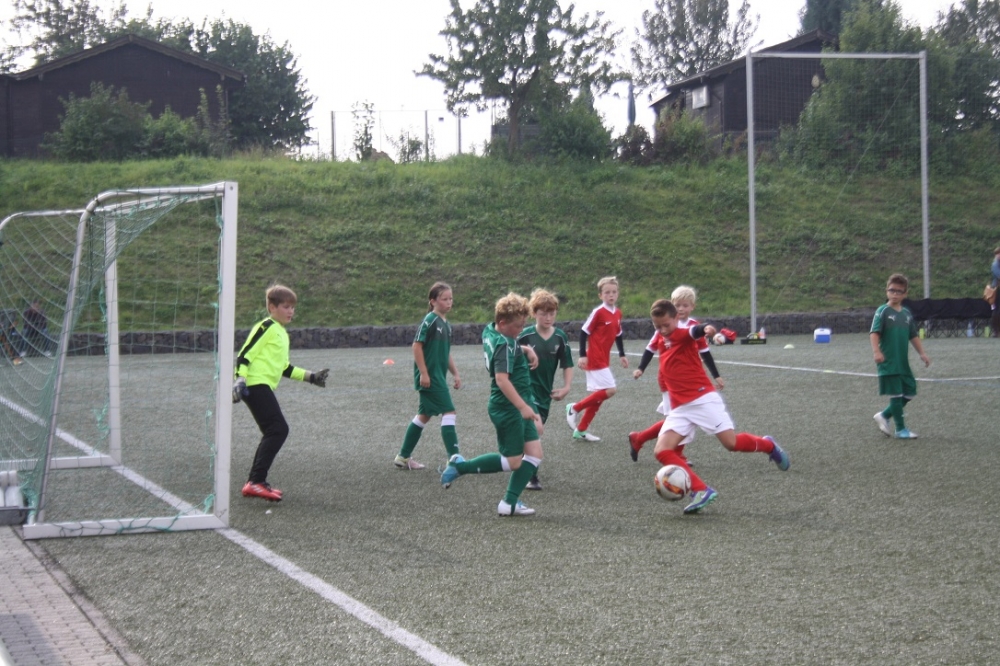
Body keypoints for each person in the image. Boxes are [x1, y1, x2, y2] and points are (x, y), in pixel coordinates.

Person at [646, 299, 789, 514]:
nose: (663, 330)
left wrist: (706, 329)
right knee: (662, 450)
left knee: (731, 443)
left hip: (703, 400)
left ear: (676, 318)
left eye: (666, 325)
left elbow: (695, 331)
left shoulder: (683, 334)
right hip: (680, 408)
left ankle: (768, 445)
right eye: (658, 326)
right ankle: (700, 490)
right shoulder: (661, 338)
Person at [441, 292, 543, 517]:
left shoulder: (490, 330)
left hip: (517, 401)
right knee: (513, 462)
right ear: (503, 323)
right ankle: (460, 466)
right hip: (508, 407)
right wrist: (523, 407)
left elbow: (505, 346)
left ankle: (509, 503)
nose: (521, 331)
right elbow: (501, 379)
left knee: (534, 454)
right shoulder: (504, 344)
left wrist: (524, 349)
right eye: (518, 326)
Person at [233, 285, 329, 501]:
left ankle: (255, 481)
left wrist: (311, 377)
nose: (291, 311)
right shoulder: (266, 326)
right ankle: (255, 482)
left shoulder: (281, 333)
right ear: (271, 307)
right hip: (254, 383)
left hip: (261, 385)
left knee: (274, 430)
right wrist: (240, 378)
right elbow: (245, 354)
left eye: (293, 307)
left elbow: (285, 368)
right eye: (286, 307)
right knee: (277, 429)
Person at [628, 285, 723, 462]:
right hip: (669, 381)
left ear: (692, 306)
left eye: (685, 305)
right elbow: (650, 348)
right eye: (677, 305)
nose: (681, 308)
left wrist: (716, 375)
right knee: (679, 419)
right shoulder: (664, 326)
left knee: (680, 419)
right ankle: (676, 455)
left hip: (689, 381)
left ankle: (639, 438)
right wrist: (641, 368)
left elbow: (704, 352)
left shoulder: (695, 327)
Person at [394, 282, 462, 471]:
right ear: (433, 301)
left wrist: (455, 373)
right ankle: (454, 459)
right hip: (430, 378)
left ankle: (403, 456)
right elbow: (416, 346)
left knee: (424, 416)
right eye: (444, 299)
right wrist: (424, 373)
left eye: (451, 299)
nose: (449, 302)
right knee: (449, 411)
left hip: (437, 376)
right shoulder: (430, 320)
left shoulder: (446, 324)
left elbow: (446, 353)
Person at [517, 288, 574, 490]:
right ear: (534, 313)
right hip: (525, 391)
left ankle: (519, 462)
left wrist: (566, 387)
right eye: (543, 314)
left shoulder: (559, 337)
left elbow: (567, 364)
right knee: (535, 430)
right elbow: (506, 350)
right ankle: (530, 477)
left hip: (545, 394)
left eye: (552, 313)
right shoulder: (525, 336)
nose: (548, 318)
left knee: (531, 433)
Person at [565, 276, 628, 441]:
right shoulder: (598, 312)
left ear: (618, 293)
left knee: (598, 398)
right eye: (607, 292)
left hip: (604, 359)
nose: (611, 295)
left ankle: (581, 430)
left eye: (614, 292)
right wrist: (582, 355)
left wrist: (622, 354)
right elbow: (584, 332)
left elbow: (618, 335)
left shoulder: (618, 313)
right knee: (610, 390)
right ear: (600, 295)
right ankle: (575, 408)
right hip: (594, 358)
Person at [870, 273, 931, 439]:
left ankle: (884, 415)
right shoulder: (882, 311)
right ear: (886, 291)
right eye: (892, 290)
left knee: (910, 391)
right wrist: (876, 351)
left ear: (905, 294)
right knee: (896, 394)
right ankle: (901, 429)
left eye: (899, 291)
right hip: (888, 360)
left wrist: (922, 353)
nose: (895, 294)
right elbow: (874, 333)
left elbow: (913, 335)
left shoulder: (906, 314)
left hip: (902, 362)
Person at [990, 247, 1000, 337]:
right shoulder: (995, 264)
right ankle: (995, 330)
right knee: (996, 310)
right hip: (996, 289)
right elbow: (998, 275)